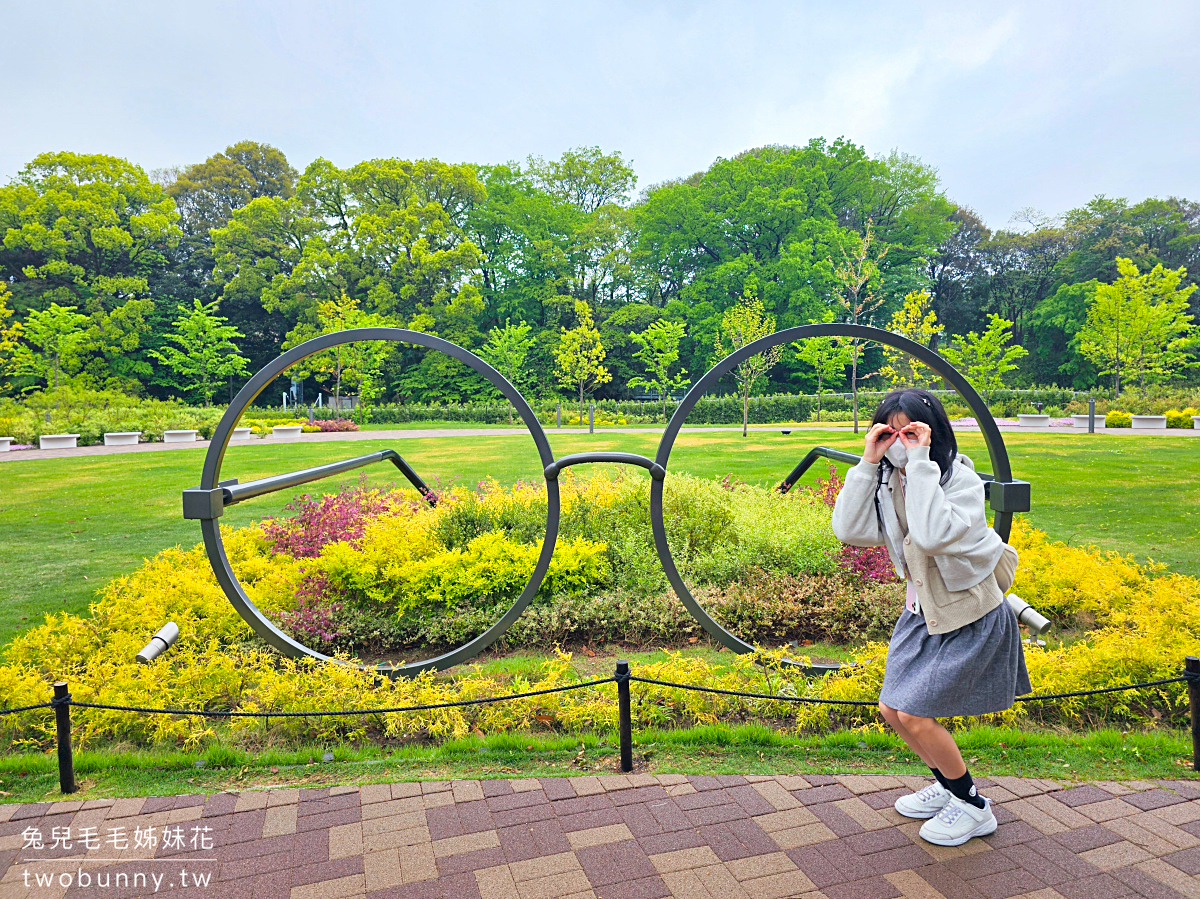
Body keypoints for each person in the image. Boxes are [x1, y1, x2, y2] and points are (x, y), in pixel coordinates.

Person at [831, 388, 1029, 846]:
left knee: (916, 714)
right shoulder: (890, 478)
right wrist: (867, 463)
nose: (900, 441)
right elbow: (849, 530)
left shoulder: (958, 481)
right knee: (891, 710)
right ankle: (948, 788)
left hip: (967, 614)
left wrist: (920, 461)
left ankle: (973, 806)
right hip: (921, 613)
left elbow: (932, 534)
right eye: (890, 432)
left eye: (911, 431)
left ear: (933, 433)